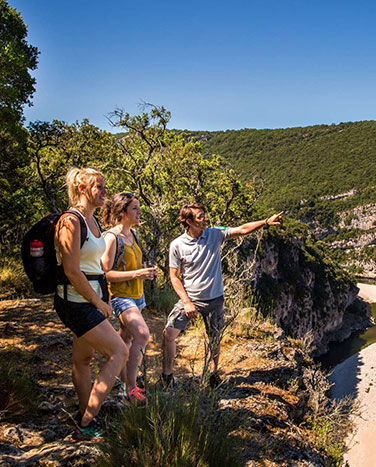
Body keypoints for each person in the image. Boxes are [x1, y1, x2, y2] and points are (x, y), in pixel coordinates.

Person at [161, 203, 283, 388]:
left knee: (214, 338)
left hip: (215, 299)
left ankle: (213, 374)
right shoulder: (177, 245)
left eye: (204, 215)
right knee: (169, 334)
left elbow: (242, 230)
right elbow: (174, 276)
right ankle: (167, 376)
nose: (205, 219)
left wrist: (266, 221)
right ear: (188, 221)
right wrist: (186, 302)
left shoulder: (214, 233)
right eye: (200, 216)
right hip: (191, 300)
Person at [54, 167, 129, 440]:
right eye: (99, 186)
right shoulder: (70, 221)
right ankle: (86, 423)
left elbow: (94, 263)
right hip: (77, 302)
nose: (105, 191)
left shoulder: (93, 221)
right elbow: (72, 270)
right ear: (83, 189)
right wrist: (97, 301)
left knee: (83, 359)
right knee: (119, 353)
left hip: (91, 298)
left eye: (105, 186)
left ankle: (84, 410)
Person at [101, 192, 157, 403]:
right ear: (122, 212)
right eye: (134, 208)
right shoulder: (111, 237)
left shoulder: (133, 234)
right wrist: (137, 274)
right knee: (142, 334)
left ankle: (118, 381)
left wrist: (147, 272)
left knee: (126, 339)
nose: (139, 211)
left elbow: (133, 266)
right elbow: (106, 273)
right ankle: (132, 389)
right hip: (120, 297)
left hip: (137, 295)